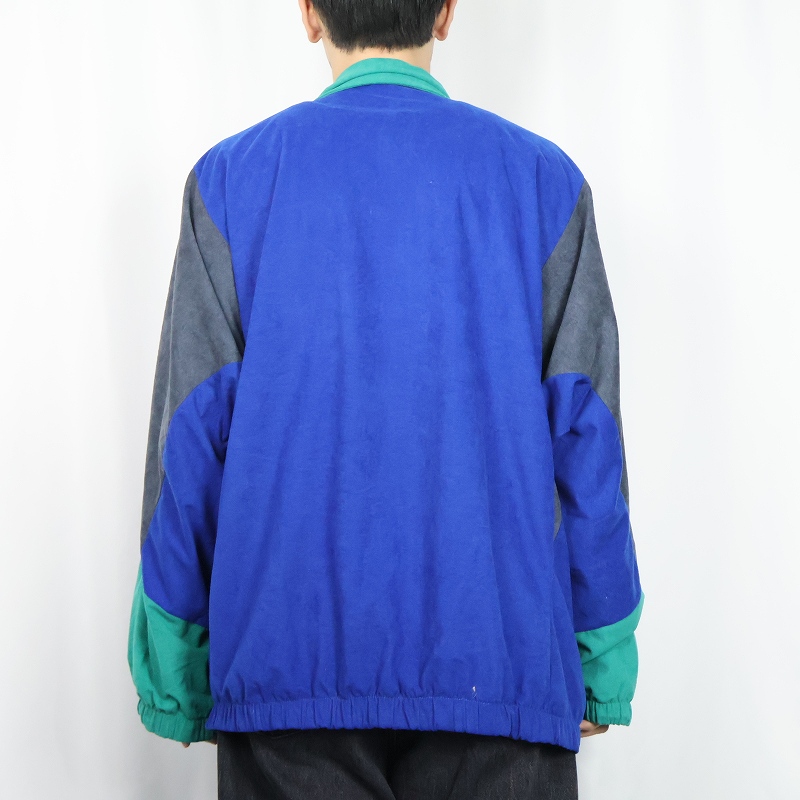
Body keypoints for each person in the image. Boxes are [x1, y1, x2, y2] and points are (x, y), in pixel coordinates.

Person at [127, 0, 644, 797]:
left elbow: (188, 441)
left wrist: (175, 670)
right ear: (447, 13)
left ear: (309, 14)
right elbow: (588, 438)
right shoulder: (545, 183)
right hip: (500, 672)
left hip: (286, 675)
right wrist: (601, 657)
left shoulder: (230, 182)